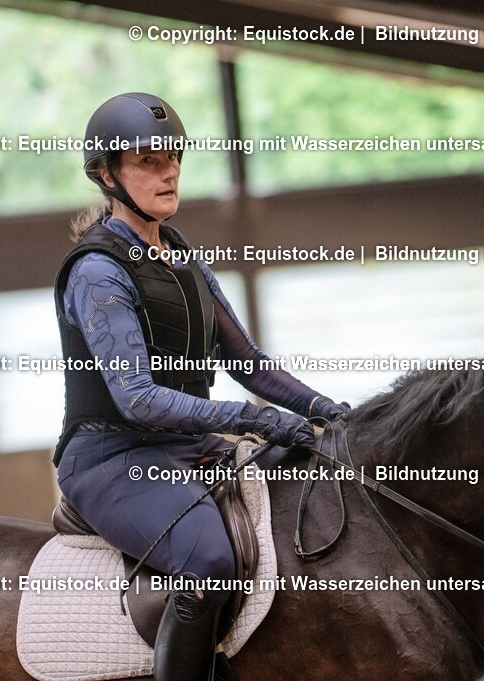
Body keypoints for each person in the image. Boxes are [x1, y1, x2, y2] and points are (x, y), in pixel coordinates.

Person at [53, 92, 348, 681]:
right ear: (107, 175)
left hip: (186, 447)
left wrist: (329, 411)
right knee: (208, 561)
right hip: (113, 456)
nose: (168, 171)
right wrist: (255, 419)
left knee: (317, 472)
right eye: (147, 161)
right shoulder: (97, 270)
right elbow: (136, 398)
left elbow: (252, 364)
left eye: (173, 157)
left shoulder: (184, 258)